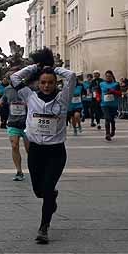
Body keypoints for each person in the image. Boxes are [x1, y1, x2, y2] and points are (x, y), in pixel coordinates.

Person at [10, 51, 76, 244]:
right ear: (38, 83)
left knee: (47, 189)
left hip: (55, 152)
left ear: (56, 84)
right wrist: (36, 68)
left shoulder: (63, 98)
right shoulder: (29, 96)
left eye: (50, 82)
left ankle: (43, 227)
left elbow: (71, 76)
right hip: (36, 151)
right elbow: (14, 78)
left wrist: (52, 67)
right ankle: (51, 197)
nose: (46, 86)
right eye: (43, 82)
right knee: (39, 191)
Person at [2, 76, 29, 181]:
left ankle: (35, 169)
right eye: (10, 78)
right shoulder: (7, 89)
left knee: (29, 149)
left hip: (27, 123)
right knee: (14, 145)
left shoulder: (27, 89)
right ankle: (19, 171)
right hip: (13, 122)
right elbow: (3, 99)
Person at [100, 70, 121, 141]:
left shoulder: (116, 84)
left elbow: (120, 93)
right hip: (104, 104)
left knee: (112, 119)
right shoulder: (101, 84)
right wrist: (97, 97)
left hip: (113, 105)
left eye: (109, 76)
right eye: (107, 76)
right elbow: (97, 91)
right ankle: (107, 134)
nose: (108, 77)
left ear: (112, 77)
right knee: (107, 118)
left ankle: (113, 129)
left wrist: (113, 91)